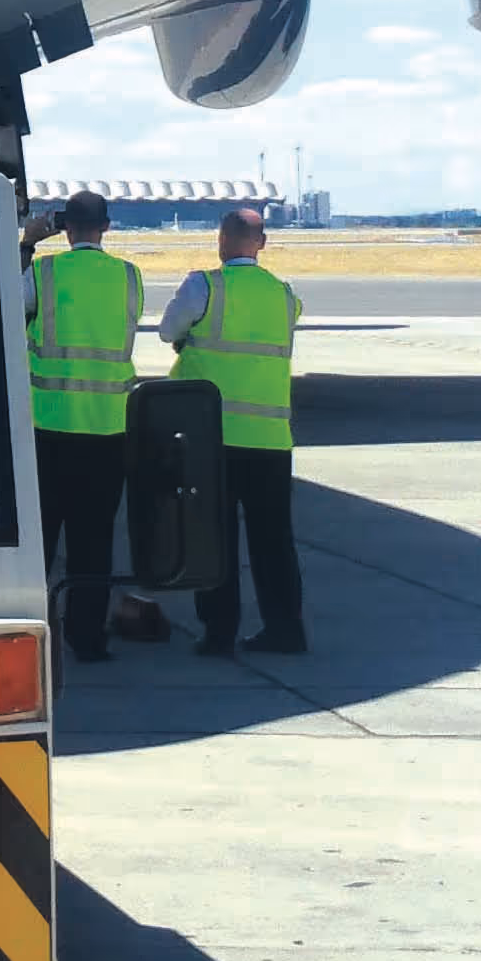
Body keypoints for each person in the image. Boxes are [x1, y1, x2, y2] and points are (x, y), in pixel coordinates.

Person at [158, 206, 305, 656]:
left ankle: (219, 632)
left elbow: (168, 332)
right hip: (271, 440)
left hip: (213, 436)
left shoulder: (205, 285)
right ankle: (286, 630)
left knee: (214, 538)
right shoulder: (285, 295)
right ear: (261, 244)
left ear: (221, 240)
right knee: (274, 541)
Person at [25, 192, 149, 662]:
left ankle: (33, 634)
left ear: (65, 227)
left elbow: (5, 308)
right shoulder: (129, 278)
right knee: (93, 543)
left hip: (49, 428)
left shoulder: (45, 273)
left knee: (40, 542)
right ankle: (88, 638)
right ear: (106, 227)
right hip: (108, 431)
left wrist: (27, 244)